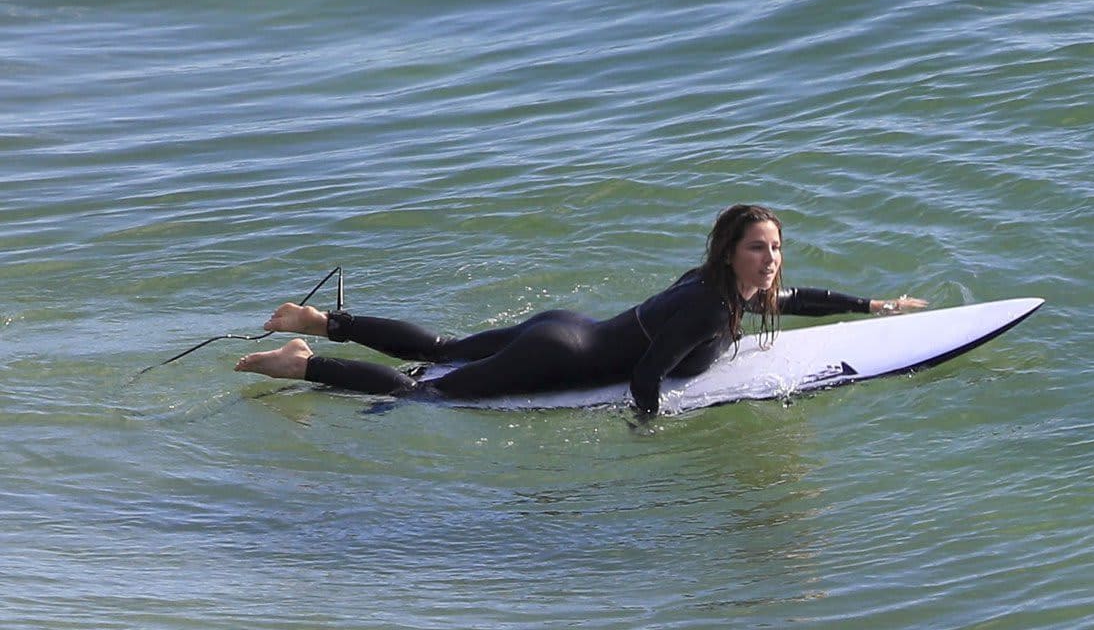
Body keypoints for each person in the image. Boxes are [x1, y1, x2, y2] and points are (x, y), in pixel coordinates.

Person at [235, 204, 927, 414]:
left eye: (775, 249)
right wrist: (648, 434)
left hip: (565, 327)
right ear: (731, 254)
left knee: (444, 349)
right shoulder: (713, 313)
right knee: (428, 392)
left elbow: (795, 299)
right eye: (758, 250)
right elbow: (646, 377)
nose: (771, 262)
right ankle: (304, 364)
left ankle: (321, 320)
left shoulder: (716, 284)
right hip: (561, 357)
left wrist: (874, 305)